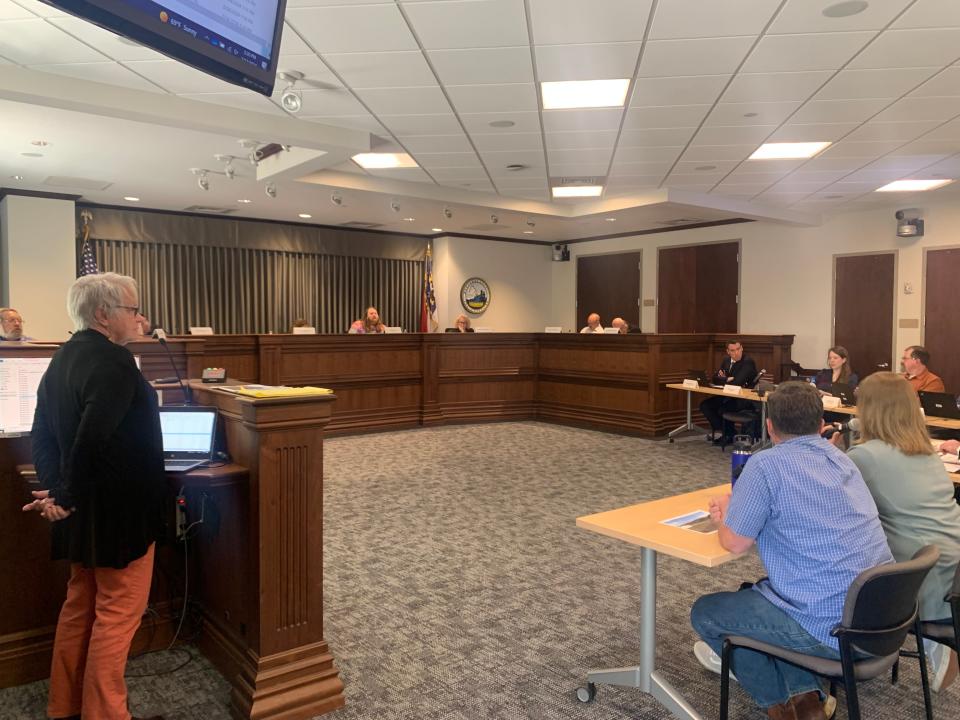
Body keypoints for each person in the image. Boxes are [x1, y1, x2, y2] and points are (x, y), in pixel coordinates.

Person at [690, 381, 893, 720]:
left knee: (707, 612)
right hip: (881, 616)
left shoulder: (765, 465)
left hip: (831, 626)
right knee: (759, 593)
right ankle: (806, 700)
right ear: (820, 423)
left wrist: (727, 512)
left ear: (769, 425)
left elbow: (734, 543)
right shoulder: (843, 460)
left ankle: (782, 706)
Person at [23, 273, 164, 720]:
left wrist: (59, 494)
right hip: (119, 515)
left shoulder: (62, 356)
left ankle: (63, 706)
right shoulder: (115, 362)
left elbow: (41, 433)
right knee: (117, 615)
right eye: (133, 309)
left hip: (82, 512)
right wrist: (61, 493)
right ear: (104, 315)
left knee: (80, 605)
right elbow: (92, 437)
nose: (140, 318)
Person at [841, 372, 960, 692]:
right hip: (950, 569)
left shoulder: (865, 457)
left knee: (839, 559)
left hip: (916, 584)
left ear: (869, 410)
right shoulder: (926, 451)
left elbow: (834, 507)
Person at [700, 339, 758, 444]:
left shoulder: (748, 362)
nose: (736, 353)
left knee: (722, 409)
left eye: (738, 349)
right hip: (727, 395)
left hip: (743, 398)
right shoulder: (726, 360)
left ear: (742, 348)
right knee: (705, 405)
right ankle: (728, 432)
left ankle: (728, 435)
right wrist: (726, 379)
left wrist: (724, 379)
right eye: (732, 350)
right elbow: (715, 378)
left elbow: (737, 383)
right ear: (728, 351)